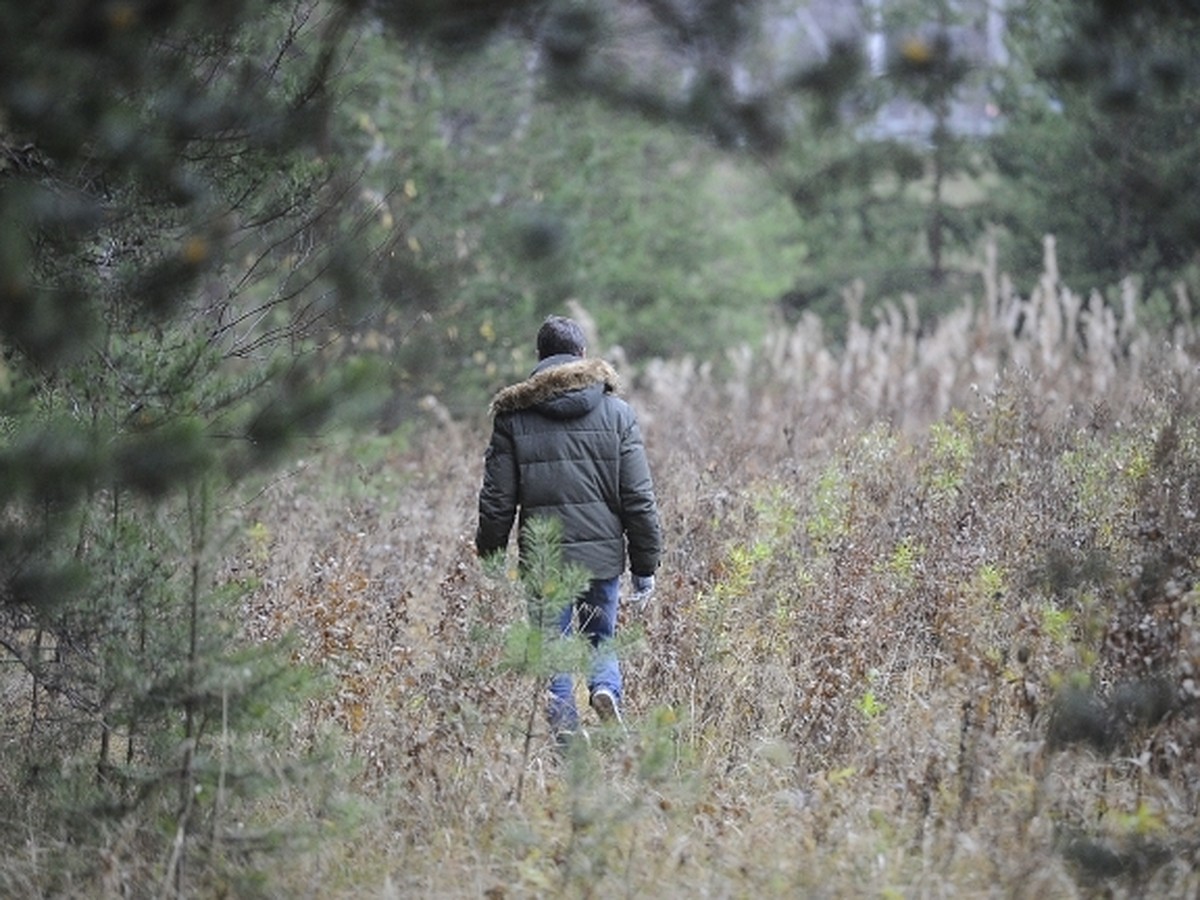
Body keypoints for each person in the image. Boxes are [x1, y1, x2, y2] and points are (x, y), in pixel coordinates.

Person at [476, 315, 661, 738]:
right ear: (581, 355)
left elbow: (497, 502)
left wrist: (490, 555)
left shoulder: (512, 418)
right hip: (602, 558)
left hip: (544, 560)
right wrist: (645, 567)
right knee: (601, 638)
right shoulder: (618, 414)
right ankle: (605, 690)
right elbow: (639, 498)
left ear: (540, 359)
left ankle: (566, 739)